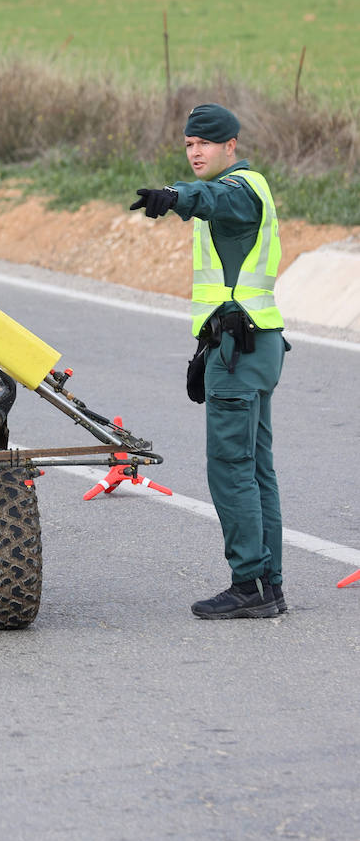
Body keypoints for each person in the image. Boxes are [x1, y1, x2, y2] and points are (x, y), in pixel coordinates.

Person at [131, 103, 288, 620]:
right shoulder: (244, 190)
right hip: (252, 345)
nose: (196, 151)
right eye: (189, 144)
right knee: (255, 469)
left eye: (205, 143)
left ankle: (249, 585)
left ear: (231, 147)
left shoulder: (239, 191)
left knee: (231, 469)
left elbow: (213, 198)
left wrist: (176, 195)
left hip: (239, 351)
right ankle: (268, 585)